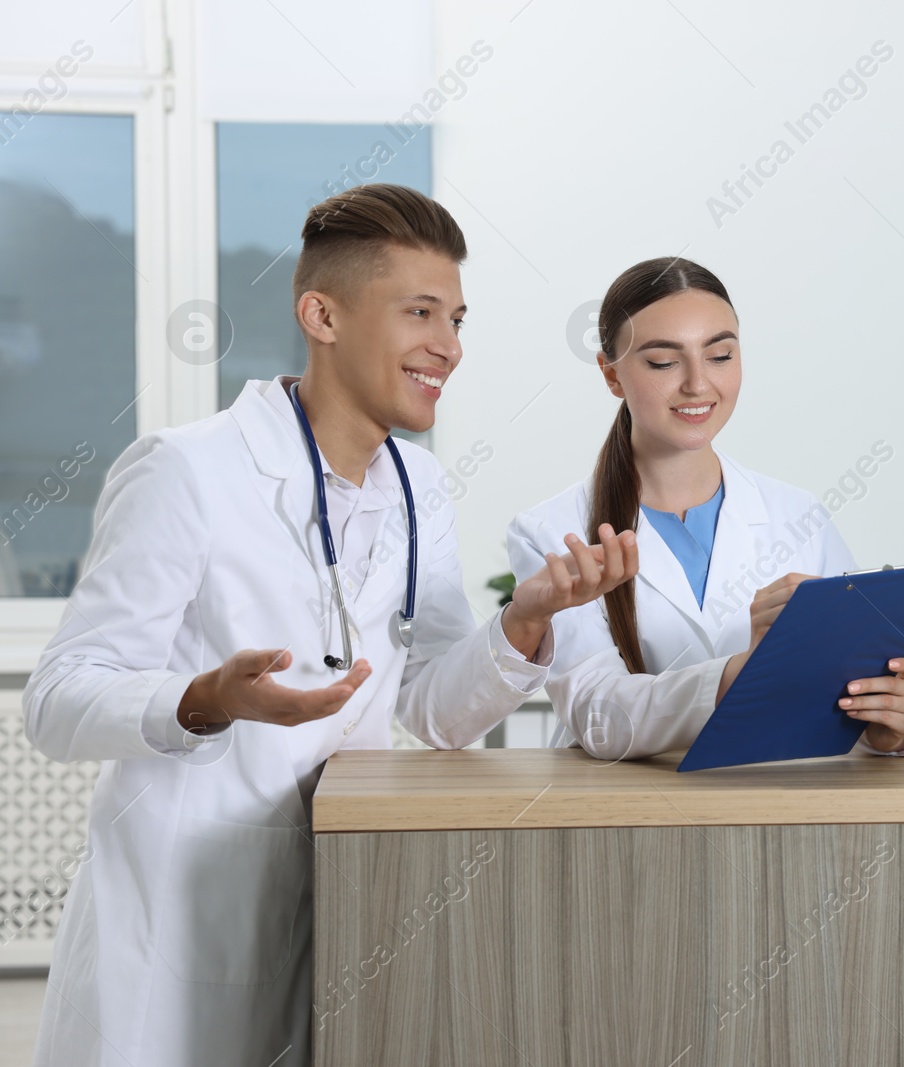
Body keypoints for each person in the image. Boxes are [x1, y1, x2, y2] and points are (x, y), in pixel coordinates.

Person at [23, 183, 637, 1067]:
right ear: (323, 314)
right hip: (173, 931)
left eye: (458, 318)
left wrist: (525, 620)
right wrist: (204, 699)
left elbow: (432, 708)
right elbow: (58, 699)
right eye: (420, 312)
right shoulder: (187, 470)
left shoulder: (417, 487)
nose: (448, 347)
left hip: (345, 905)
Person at [507, 257, 904, 760]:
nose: (697, 384)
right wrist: (744, 670)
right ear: (611, 375)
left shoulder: (798, 514)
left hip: (779, 812)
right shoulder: (551, 530)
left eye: (719, 356)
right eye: (663, 362)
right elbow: (600, 718)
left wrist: (895, 725)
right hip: (626, 821)